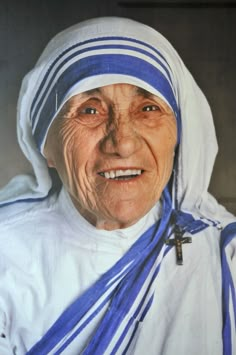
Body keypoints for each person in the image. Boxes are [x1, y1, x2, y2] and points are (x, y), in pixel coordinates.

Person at [0, 16, 235, 355]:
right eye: (90, 110)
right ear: (44, 144)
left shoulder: (223, 255)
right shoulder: (7, 250)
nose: (122, 143)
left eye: (149, 108)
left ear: (178, 136)